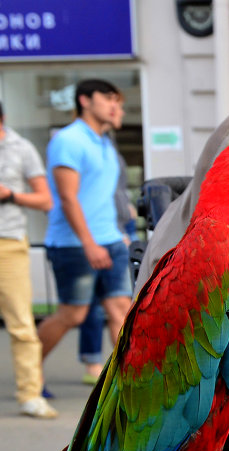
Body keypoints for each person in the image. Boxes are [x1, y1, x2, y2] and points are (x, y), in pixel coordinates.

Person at [37, 79, 132, 375]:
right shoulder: (69, 140)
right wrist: (90, 243)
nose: (115, 105)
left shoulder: (104, 142)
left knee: (122, 311)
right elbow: (67, 197)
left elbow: (107, 194)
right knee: (73, 314)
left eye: (118, 100)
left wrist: (118, 235)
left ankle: (126, 386)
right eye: (107, 98)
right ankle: (30, 371)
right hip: (74, 244)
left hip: (111, 240)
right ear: (85, 100)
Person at [0, 101, 58, 419]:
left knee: (21, 323)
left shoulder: (21, 148)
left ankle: (30, 394)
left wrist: (9, 195)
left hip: (8, 242)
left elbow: (44, 198)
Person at [77, 96, 137, 385]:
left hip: (116, 232)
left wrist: (125, 220)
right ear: (85, 101)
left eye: (120, 106)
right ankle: (92, 361)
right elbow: (77, 197)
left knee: (118, 306)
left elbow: (116, 191)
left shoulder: (106, 146)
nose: (119, 111)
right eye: (112, 103)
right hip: (94, 236)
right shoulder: (75, 141)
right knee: (81, 310)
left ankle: (122, 376)